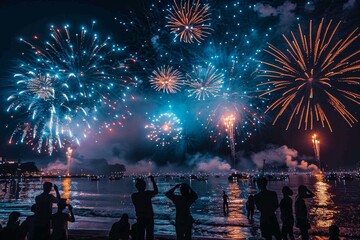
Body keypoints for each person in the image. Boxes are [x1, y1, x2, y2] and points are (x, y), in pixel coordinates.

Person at [131, 176, 158, 240]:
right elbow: (156, 191)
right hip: (149, 217)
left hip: (140, 217)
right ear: (144, 186)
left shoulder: (134, 196)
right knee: (150, 236)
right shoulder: (147, 194)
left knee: (140, 235)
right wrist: (153, 181)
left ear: (137, 187)